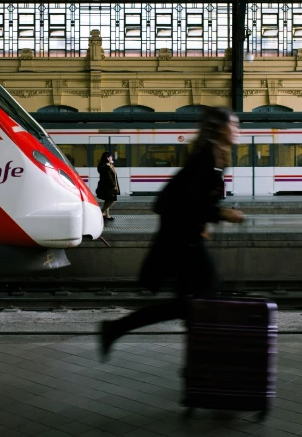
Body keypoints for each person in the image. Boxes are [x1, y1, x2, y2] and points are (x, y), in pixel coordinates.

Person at [98, 106, 245, 360]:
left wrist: (203, 222)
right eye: (235, 125)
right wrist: (222, 214)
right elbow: (188, 200)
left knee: (190, 304)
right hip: (182, 242)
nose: (238, 130)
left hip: (183, 237)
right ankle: (202, 360)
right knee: (206, 296)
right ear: (222, 129)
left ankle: (118, 329)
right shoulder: (208, 157)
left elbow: (190, 198)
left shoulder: (214, 156)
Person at [96, 151, 119, 221]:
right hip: (107, 187)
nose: (112, 158)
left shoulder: (108, 165)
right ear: (107, 158)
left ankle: (107, 215)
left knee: (107, 200)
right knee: (112, 200)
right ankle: (101, 211)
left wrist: (110, 164)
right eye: (110, 156)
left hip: (108, 186)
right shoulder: (105, 167)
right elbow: (109, 177)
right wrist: (114, 186)